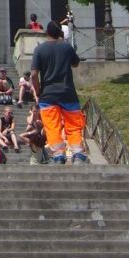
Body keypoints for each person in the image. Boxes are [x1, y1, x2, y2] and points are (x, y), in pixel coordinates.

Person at [30, 19, 86, 164]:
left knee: (52, 126)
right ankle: (78, 154)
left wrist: (37, 91)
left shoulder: (39, 49)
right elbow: (75, 63)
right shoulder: (66, 47)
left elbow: (34, 75)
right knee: (73, 125)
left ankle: (58, 155)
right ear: (59, 33)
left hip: (48, 95)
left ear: (46, 33)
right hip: (68, 93)